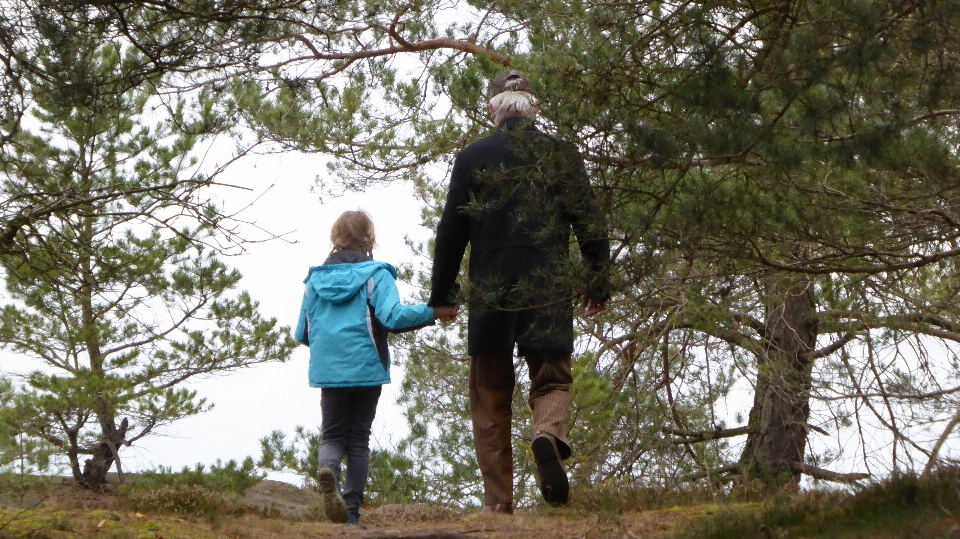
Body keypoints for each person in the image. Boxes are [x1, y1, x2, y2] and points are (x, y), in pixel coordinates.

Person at [429, 70, 611, 512]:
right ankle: (547, 436)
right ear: (535, 107)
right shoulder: (561, 155)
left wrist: (444, 293)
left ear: (493, 110)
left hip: (491, 291)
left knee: (489, 396)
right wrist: (597, 283)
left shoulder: (473, 156)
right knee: (552, 378)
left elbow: (452, 229)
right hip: (547, 287)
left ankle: (498, 505)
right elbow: (590, 224)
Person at [295, 210, 456, 525]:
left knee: (332, 435)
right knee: (358, 439)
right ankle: (351, 512)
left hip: (330, 371)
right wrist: (433, 311)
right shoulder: (376, 275)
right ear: (369, 238)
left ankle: (329, 471)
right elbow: (393, 317)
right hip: (367, 368)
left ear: (335, 238)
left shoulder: (314, 280)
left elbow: (302, 332)